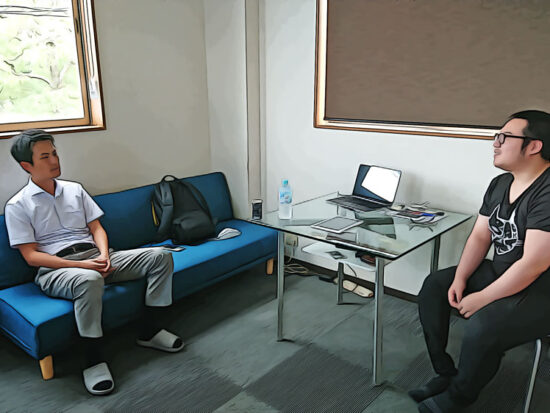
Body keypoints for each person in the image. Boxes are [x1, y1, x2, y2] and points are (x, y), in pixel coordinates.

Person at [5, 129, 184, 396]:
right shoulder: (17, 205)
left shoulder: (74, 189)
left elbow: (96, 228)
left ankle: (150, 330)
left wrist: (103, 256)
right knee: (89, 279)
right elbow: (31, 256)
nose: (54, 160)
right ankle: (92, 359)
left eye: (54, 153)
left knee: (160, 256)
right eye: (45, 157)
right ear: (26, 165)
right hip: (57, 269)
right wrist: (83, 267)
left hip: (96, 257)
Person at [409, 110, 550, 412]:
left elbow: (534, 264)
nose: (495, 143)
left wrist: (483, 297)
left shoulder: (547, 190)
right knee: (435, 286)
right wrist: (460, 278)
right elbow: (479, 237)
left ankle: (460, 395)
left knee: (484, 326)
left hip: (540, 289)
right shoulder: (500, 183)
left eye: (504, 137)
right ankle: (446, 373)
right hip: (502, 271)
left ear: (534, 146)